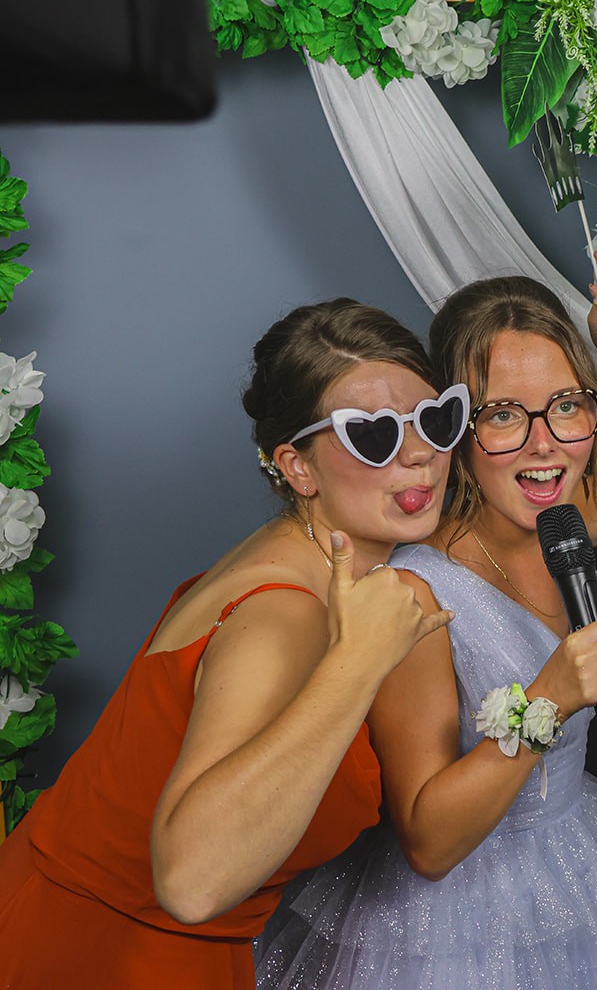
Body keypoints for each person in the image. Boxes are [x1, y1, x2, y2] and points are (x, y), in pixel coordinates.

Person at [255, 264, 597, 987]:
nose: (545, 445)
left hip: (566, 874)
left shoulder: (567, 520)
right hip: (455, 927)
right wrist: (550, 699)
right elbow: (430, 841)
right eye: (503, 414)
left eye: (566, 405)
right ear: (455, 427)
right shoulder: (415, 589)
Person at [0, 299, 459, 988]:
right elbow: (191, 881)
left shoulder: (309, 556)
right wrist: (358, 663)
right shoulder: (281, 619)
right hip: (106, 959)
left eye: (436, 419)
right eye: (373, 434)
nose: (419, 453)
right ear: (297, 467)